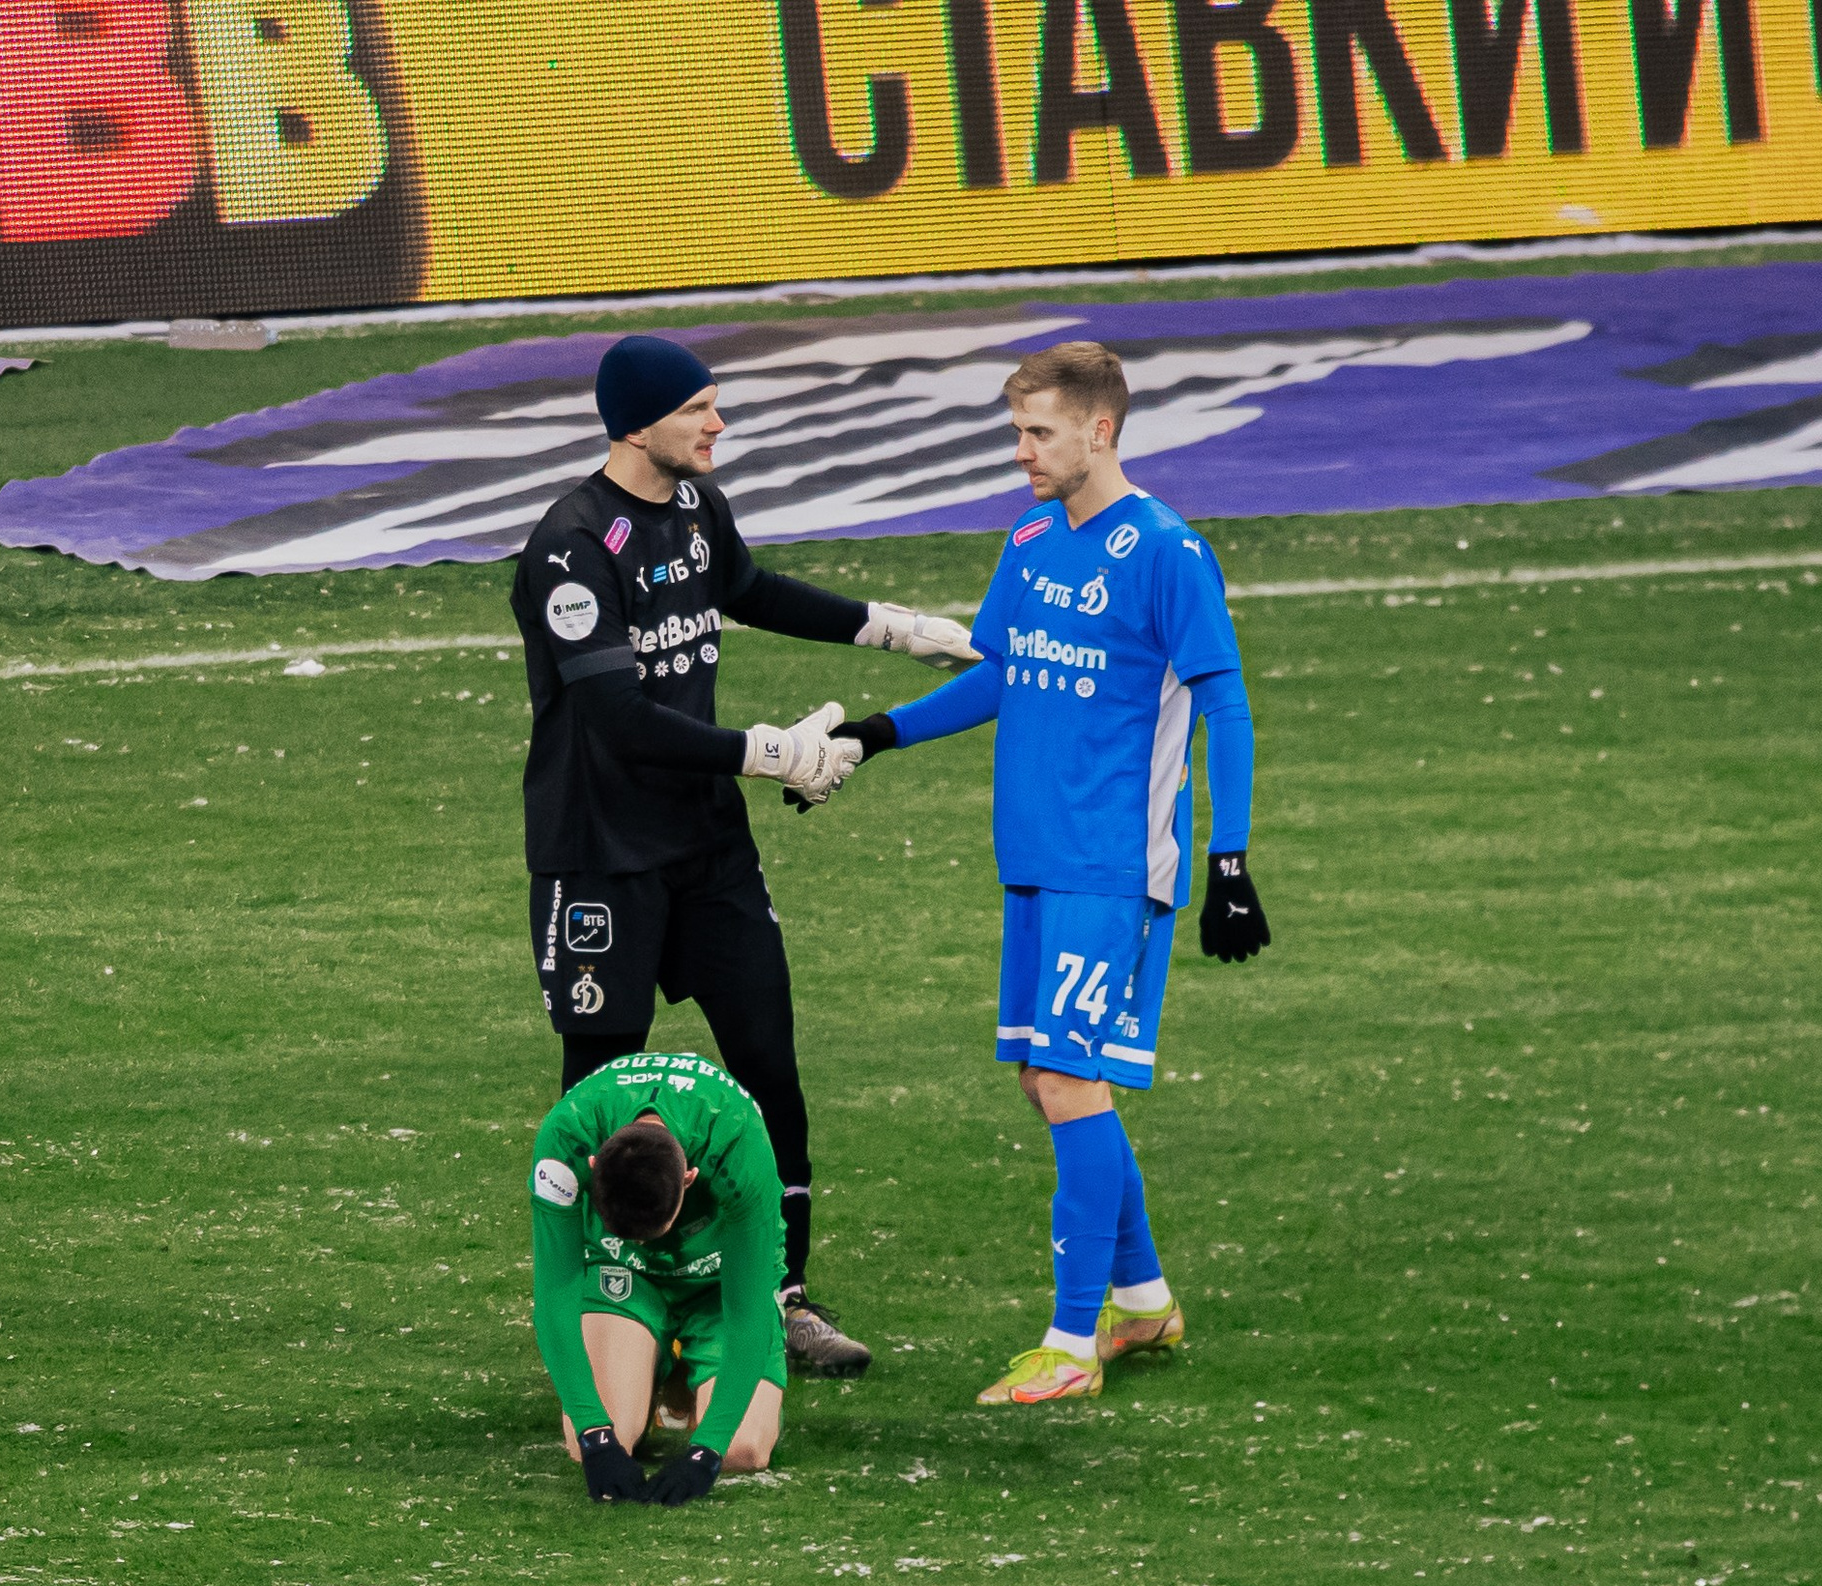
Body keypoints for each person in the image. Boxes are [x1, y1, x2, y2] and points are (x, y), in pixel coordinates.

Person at [512, 333, 978, 1378]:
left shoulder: (696, 509)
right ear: (638, 423)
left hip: (707, 844)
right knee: (603, 1082)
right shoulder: (571, 547)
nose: (718, 424)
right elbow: (620, 718)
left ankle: (781, 1298)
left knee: (767, 1061)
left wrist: (890, 628)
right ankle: (613, 1309)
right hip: (602, 857)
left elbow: (750, 589)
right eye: (699, 409)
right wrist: (771, 752)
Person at [832, 341, 1272, 1405]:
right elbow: (1005, 677)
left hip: (1113, 863)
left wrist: (1231, 859)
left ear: (1100, 430)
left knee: (1069, 1079)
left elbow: (1226, 705)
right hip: (1032, 859)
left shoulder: (1167, 551)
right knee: (1047, 1079)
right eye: (1016, 431)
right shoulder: (1029, 538)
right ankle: (1142, 1298)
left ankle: (1072, 1344)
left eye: (1037, 432)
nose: (1020, 452)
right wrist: (874, 734)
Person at [531, 1051, 789, 1504]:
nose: (647, 1244)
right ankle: (657, 1365)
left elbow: (748, 1313)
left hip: (718, 1283)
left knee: (743, 1451)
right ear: (592, 1167)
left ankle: (675, 1367)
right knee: (586, 1439)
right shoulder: (564, 1139)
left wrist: (706, 1454)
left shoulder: (738, 1144)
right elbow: (555, 1293)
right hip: (623, 1275)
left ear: (690, 1178)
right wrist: (595, 1435)